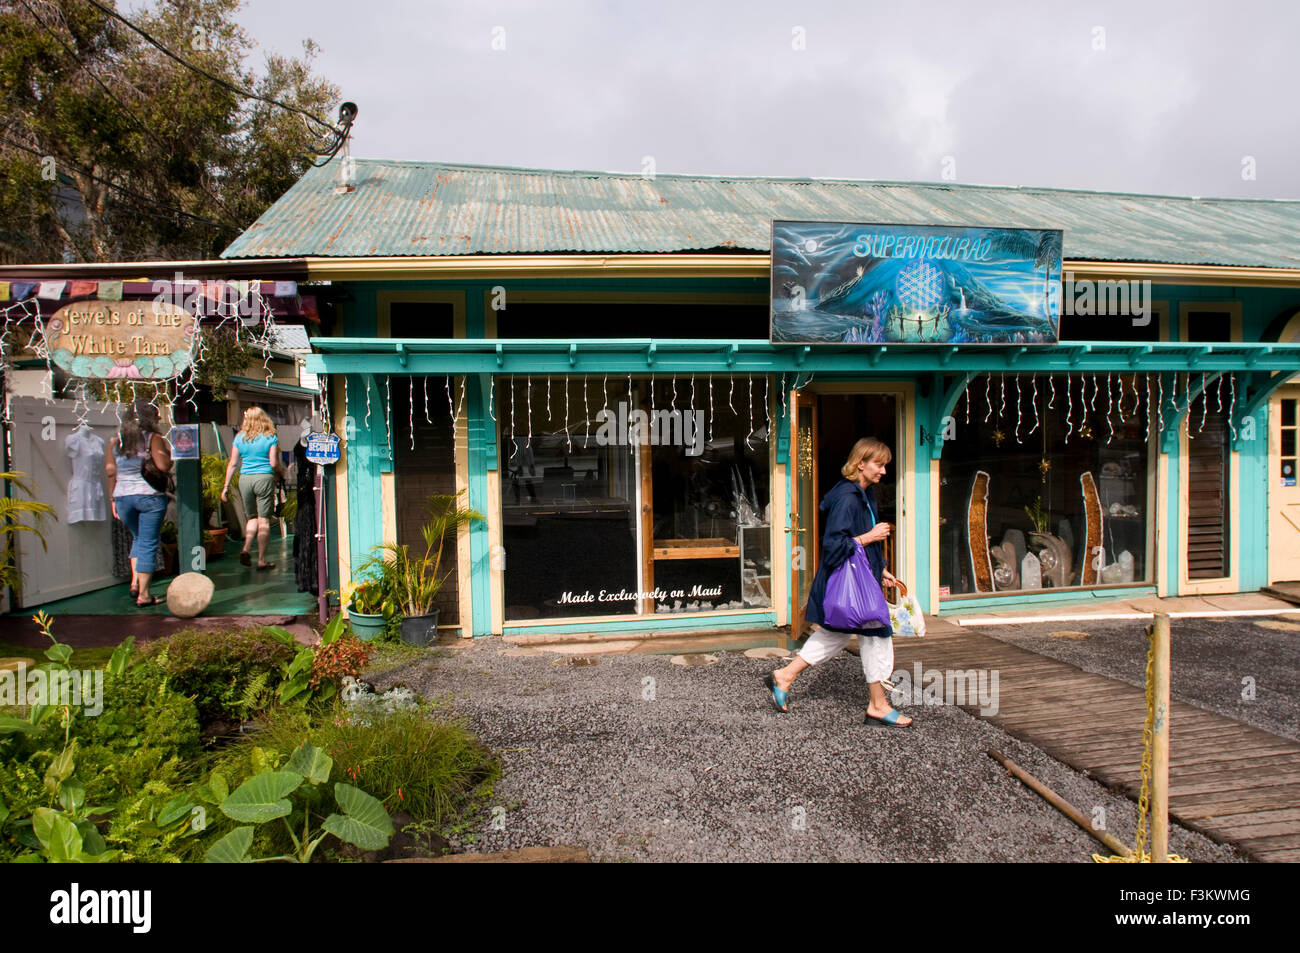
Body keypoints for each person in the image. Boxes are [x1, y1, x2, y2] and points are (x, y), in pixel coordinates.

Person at [764, 437, 913, 727]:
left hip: (856, 581)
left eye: (885, 465)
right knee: (878, 636)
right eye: (879, 464)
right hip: (845, 584)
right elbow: (834, 545)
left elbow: (858, 542)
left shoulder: (865, 494)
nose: (884, 471)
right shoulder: (847, 497)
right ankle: (878, 705)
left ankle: (785, 675)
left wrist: (880, 568)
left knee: (836, 634)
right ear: (861, 463)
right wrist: (870, 537)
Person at [104, 400, 172, 607]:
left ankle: (134, 582)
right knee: (149, 542)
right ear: (150, 419)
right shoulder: (153, 438)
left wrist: (112, 499)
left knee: (138, 537)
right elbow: (162, 465)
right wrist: (169, 457)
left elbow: (110, 471)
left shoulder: (116, 441)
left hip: (123, 497)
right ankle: (144, 595)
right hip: (149, 496)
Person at [222, 407, 284, 569]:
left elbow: (233, 463)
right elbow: (273, 463)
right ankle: (262, 559)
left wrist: (226, 487)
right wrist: (281, 472)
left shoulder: (240, 438)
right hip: (264, 478)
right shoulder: (270, 437)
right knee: (264, 520)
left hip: (245, 479)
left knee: (251, 518)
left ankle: (246, 547)